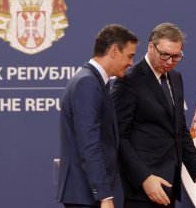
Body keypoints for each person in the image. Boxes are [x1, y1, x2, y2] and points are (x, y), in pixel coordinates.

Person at [111, 23, 196, 207]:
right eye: (165, 55)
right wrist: (144, 178)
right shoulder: (129, 81)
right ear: (151, 47)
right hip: (140, 191)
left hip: (168, 187)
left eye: (176, 56)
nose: (169, 61)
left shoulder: (175, 78)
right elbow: (119, 137)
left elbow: (179, 130)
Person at [56, 24, 138, 208]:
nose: (132, 62)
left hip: (89, 195)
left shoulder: (95, 81)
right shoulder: (87, 83)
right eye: (130, 55)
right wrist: (104, 196)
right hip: (88, 197)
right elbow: (89, 144)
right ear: (114, 51)